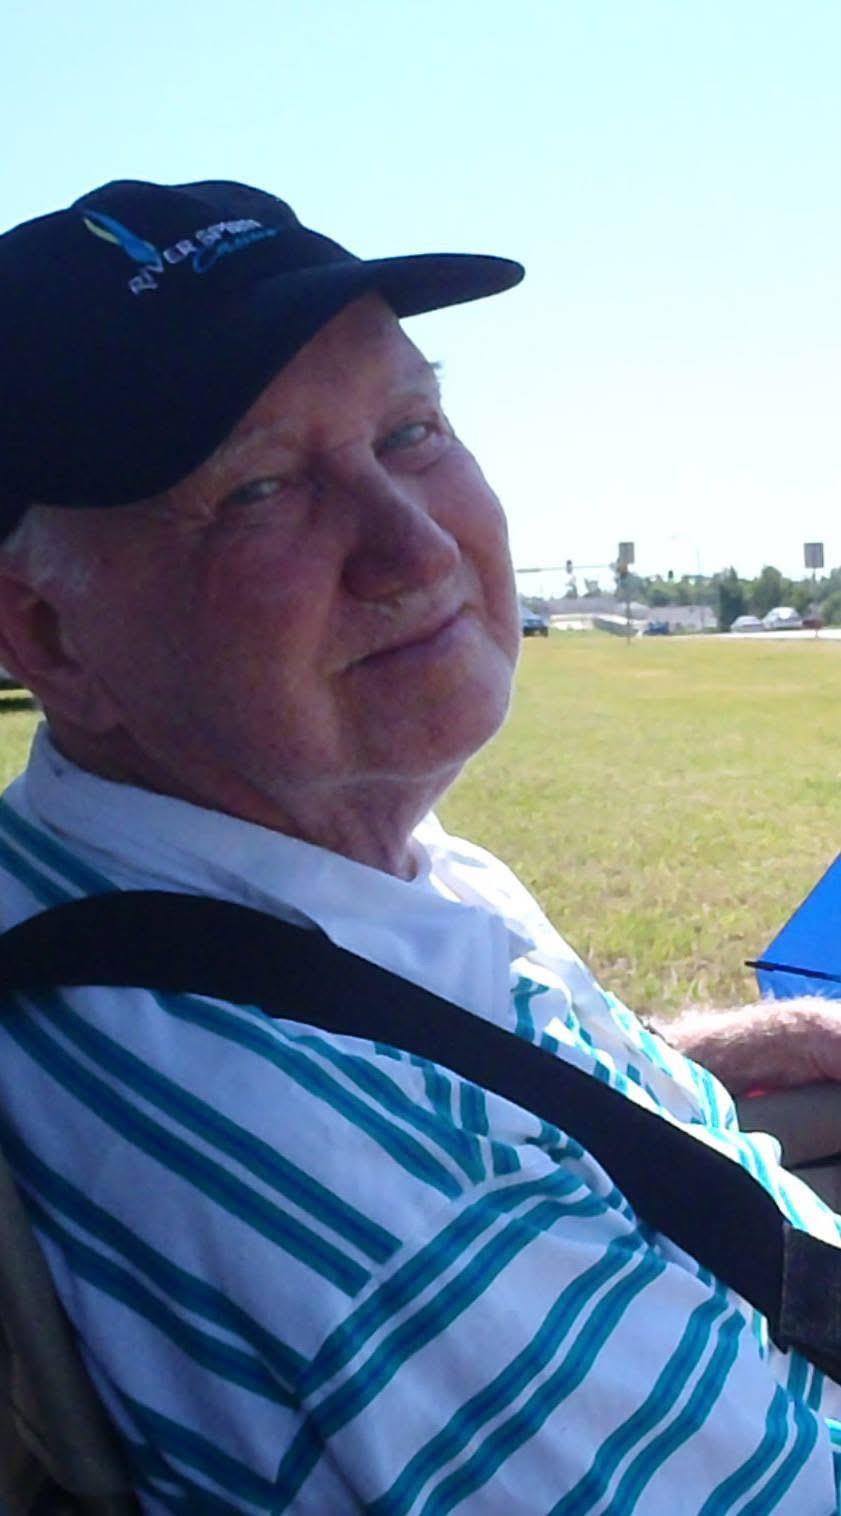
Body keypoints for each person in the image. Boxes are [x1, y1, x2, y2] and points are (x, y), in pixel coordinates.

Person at [0, 177, 839, 1515]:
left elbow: (441, 1081)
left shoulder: (172, 868)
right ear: (48, 637)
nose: (414, 547)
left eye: (410, 430)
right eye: (260, 488)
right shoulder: (389, 1217)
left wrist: (683, 1064)